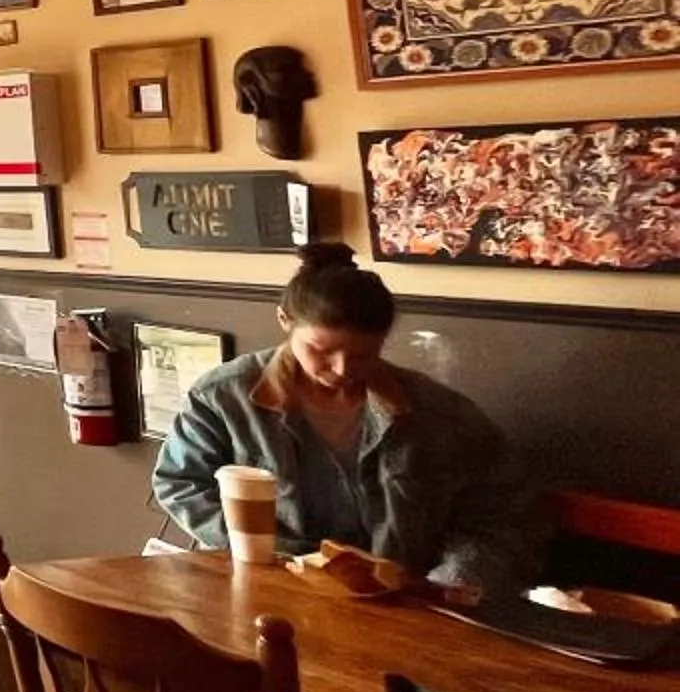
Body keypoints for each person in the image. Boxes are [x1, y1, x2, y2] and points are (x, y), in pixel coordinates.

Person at [152, 243, 536, 598]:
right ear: (285, 320)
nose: (341, 369)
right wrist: (263, 548)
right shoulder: (224, 397)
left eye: (363, 356)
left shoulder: (437, 413)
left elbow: (501, 511)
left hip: (398, 601)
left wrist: (454, 580)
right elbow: (179, 482)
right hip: (269, 587)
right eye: (322, 350)